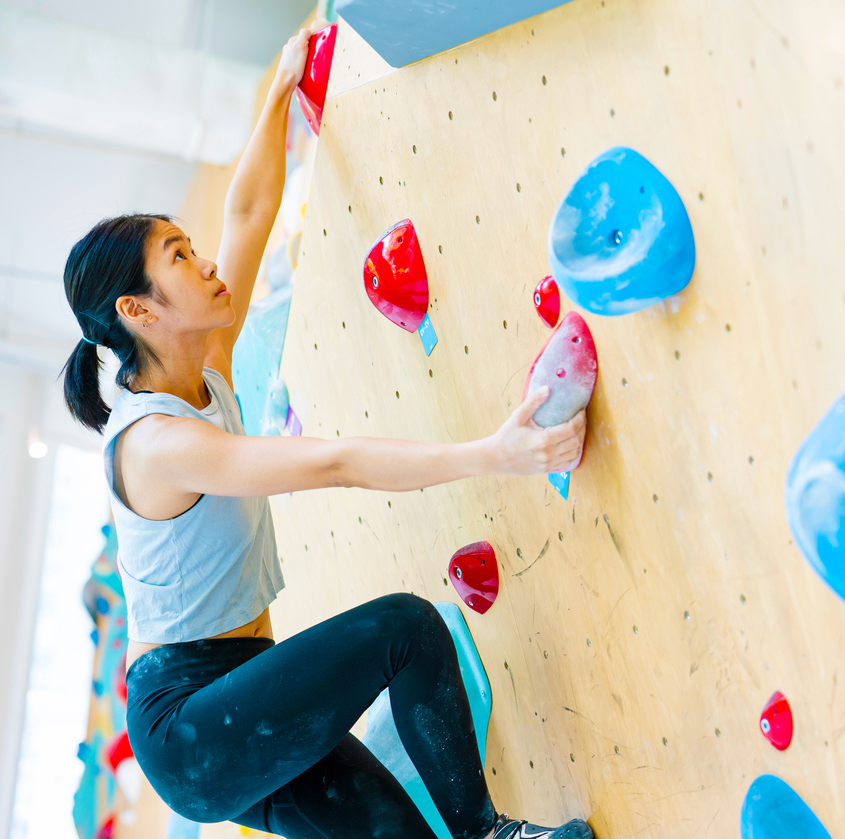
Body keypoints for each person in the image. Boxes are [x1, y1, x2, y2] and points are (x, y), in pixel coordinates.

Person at [61, 26, 594, 839]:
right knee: (407, 628)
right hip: (193, 729)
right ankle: (491, 833)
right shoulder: (158, 444)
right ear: (139, 311)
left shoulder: (204, 359)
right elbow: (333, 459)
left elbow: (247, 210)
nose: (205, 261)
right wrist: (497, 452)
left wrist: (279, 93)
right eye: (179, 255)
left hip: (233, 694)